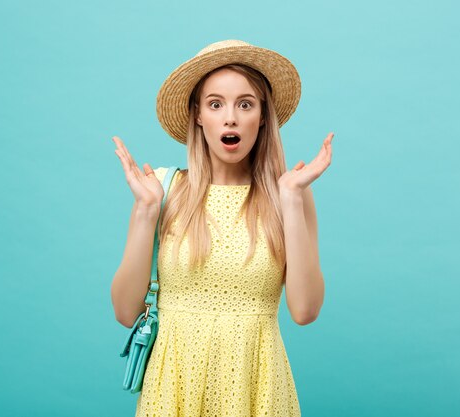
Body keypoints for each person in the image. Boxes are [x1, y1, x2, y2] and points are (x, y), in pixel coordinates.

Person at [110, 39, 333, 417]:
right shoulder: (162, 190)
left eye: (245, 104)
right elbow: (125, 311)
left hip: (256, 386)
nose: (230, 118)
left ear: (262, 116)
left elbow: (305, 310)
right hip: (174, 386)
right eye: (216, 104)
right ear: (198, 115)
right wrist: (147, 210)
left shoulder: (289, 194)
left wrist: (292, 199)